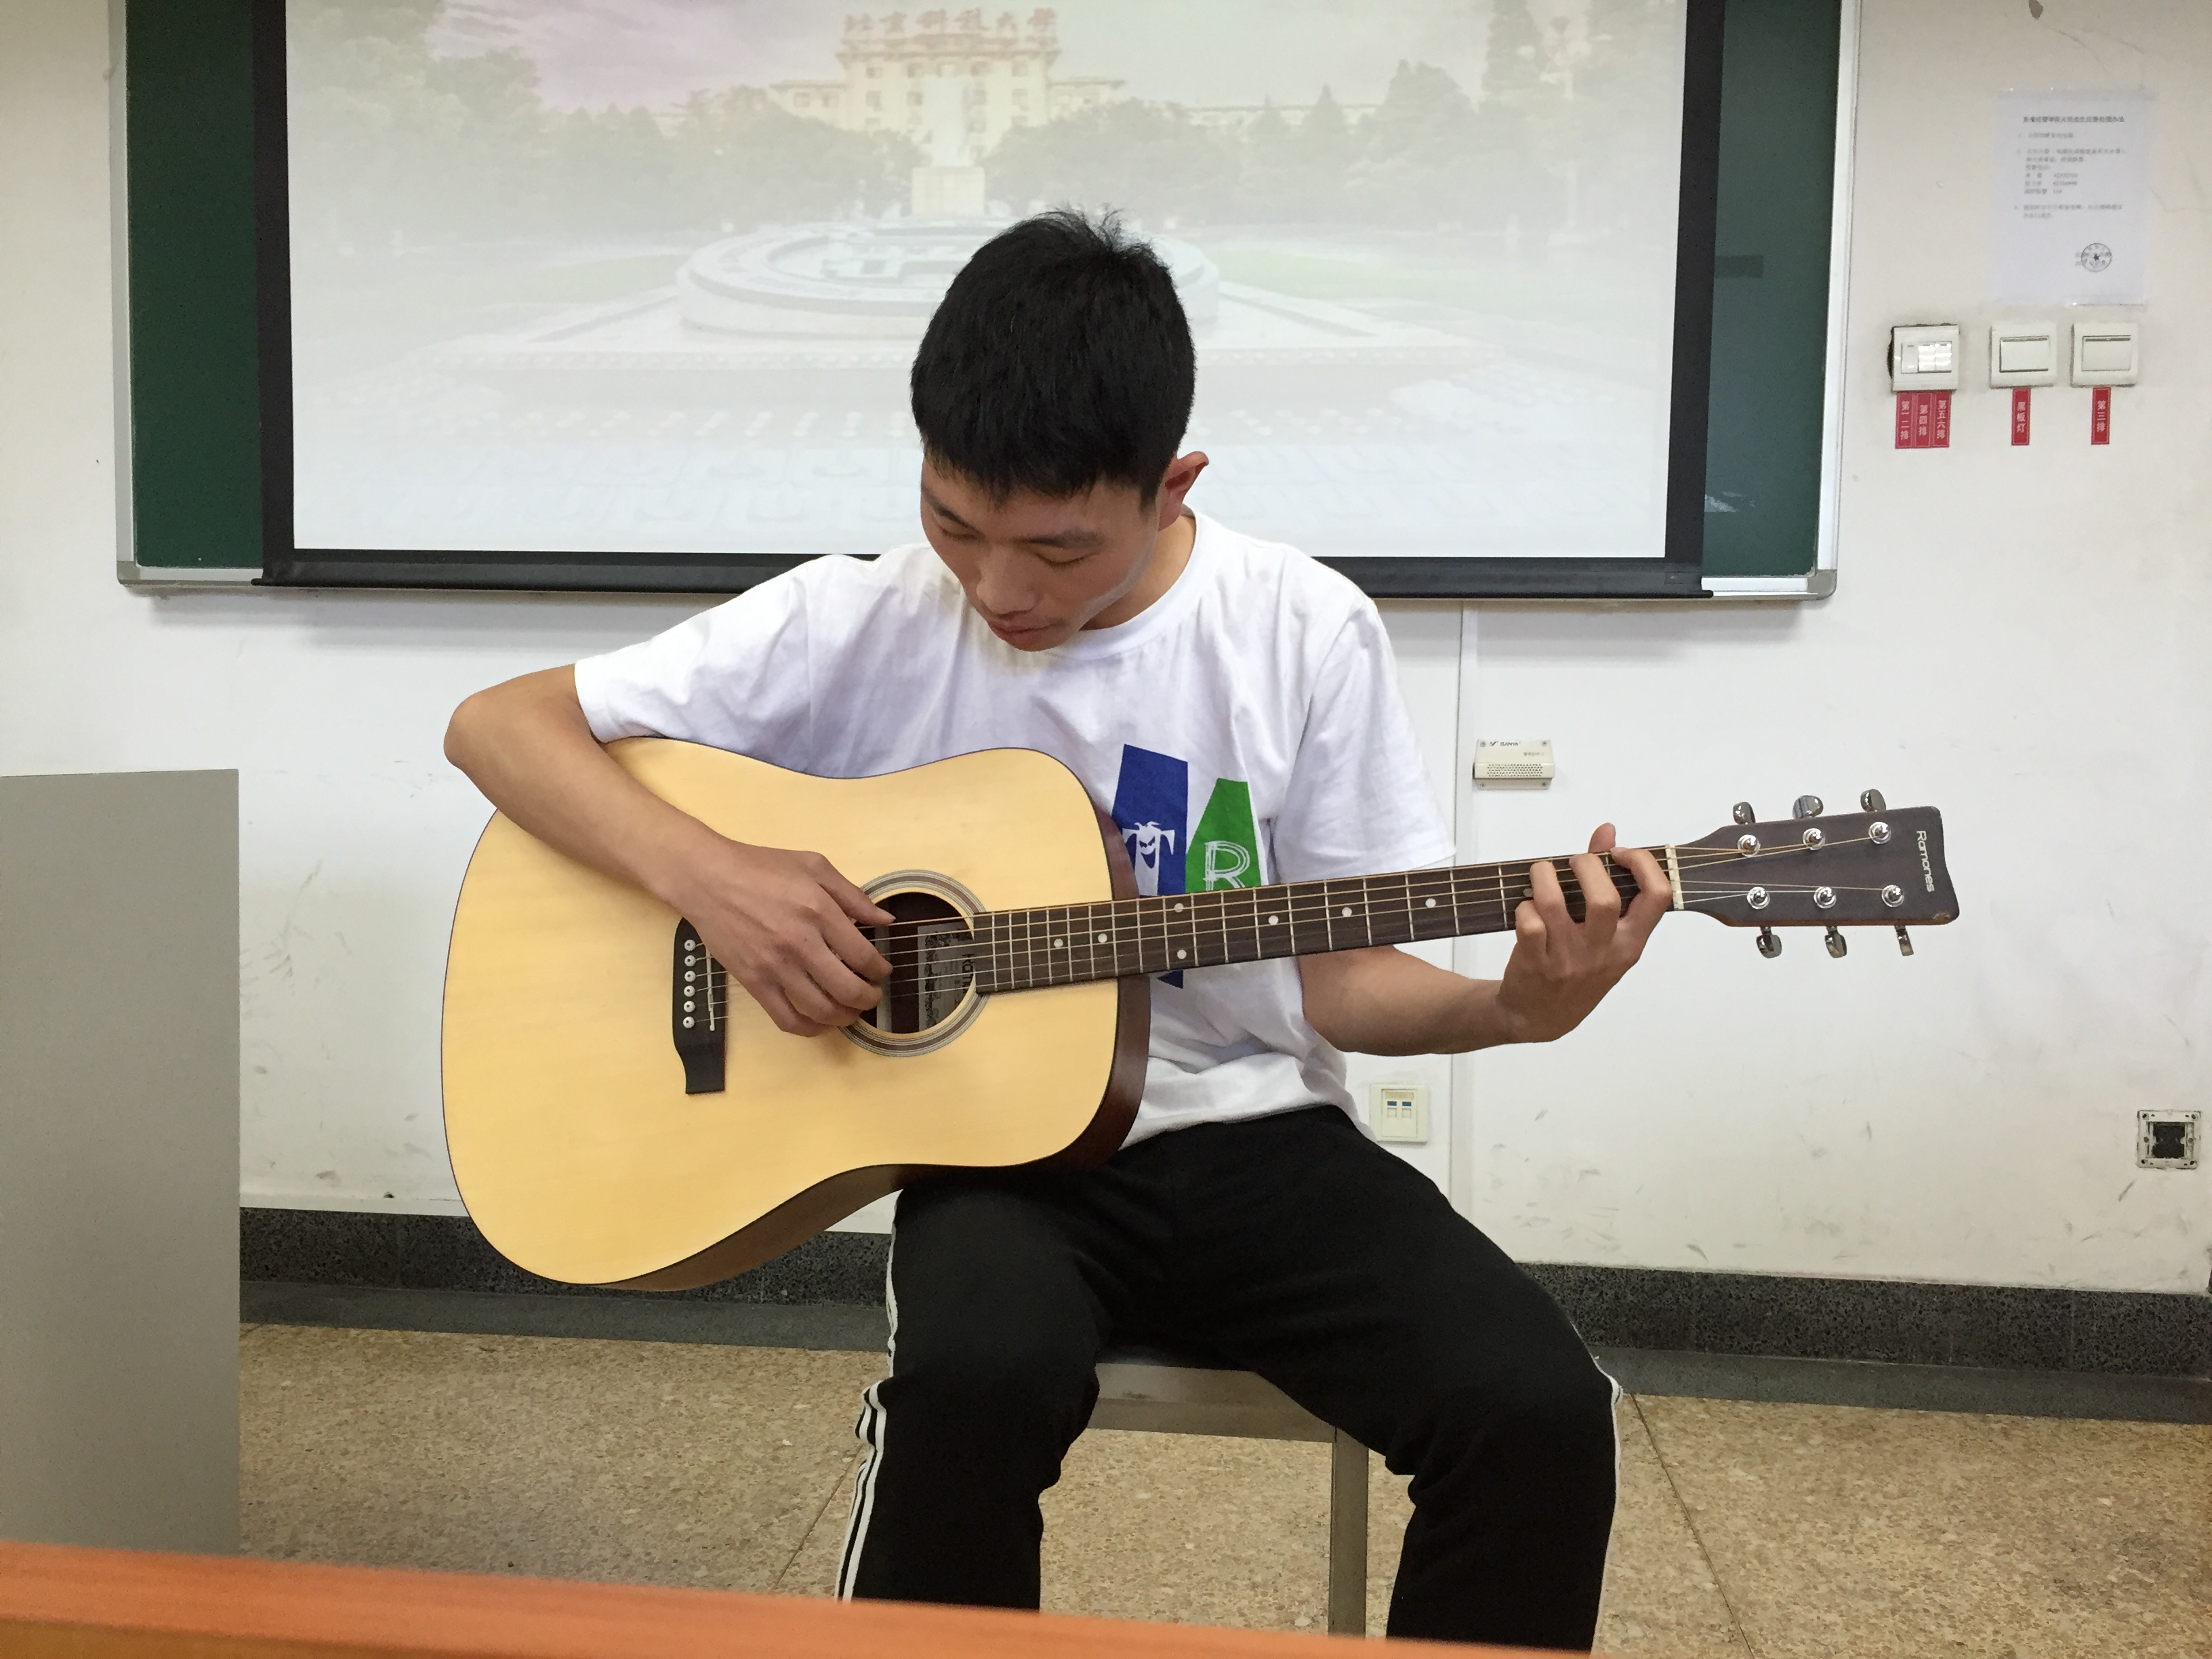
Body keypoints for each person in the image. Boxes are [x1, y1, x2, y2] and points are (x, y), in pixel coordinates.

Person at [444, 209, 1667, 1650]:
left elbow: (1342, 984)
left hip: (1261, 1137)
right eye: (954, 525)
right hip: (999, 1157)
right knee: (975, 1381)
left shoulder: (1300, 629)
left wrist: (1515, 1009)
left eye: (1057, 547)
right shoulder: (857, 618)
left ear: (1172, 485)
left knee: (1539, 1413)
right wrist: (717, 878)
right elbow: (497, 727)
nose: (998, 589)